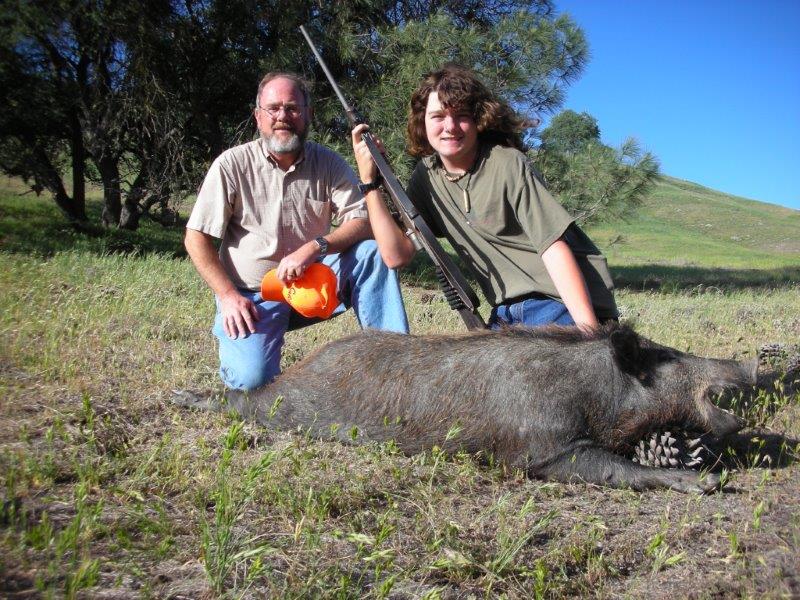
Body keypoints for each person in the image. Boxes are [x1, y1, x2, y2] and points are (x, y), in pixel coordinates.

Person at [185, 72, 411, 391]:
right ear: (258, 116)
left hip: (313, 286)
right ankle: (247, 349)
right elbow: (196, 237)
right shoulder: (231, 165)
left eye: (292, 108)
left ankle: (395, 368)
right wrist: (228, 296)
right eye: (273, 108)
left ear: (308, 114)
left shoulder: (329, 163)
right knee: (252, 384)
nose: (282, 117)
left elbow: (362, 220)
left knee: (370, 254)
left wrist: (316, 246)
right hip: (253, 295)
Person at [354, 64, 618, 330]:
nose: (450, 126)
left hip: (559, 302)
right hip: (506, 313)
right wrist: (370, 182)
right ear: (423, 122)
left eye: (461, 115)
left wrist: (589, 333)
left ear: (478, 119)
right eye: (438, 116)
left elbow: (554, 248)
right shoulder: (426, 178)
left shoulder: (507, 163)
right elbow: (395, 256)